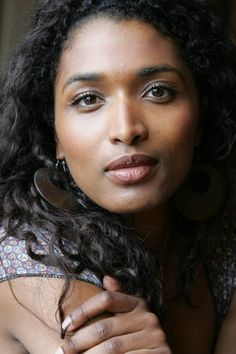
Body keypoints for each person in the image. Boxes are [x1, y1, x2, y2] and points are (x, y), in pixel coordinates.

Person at [0, 0, 235, 353]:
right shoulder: (38, 261)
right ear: (56, 137)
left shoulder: (221, 245)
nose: (127, 129)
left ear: (201, 120)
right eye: (88, 98)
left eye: (158, 91)